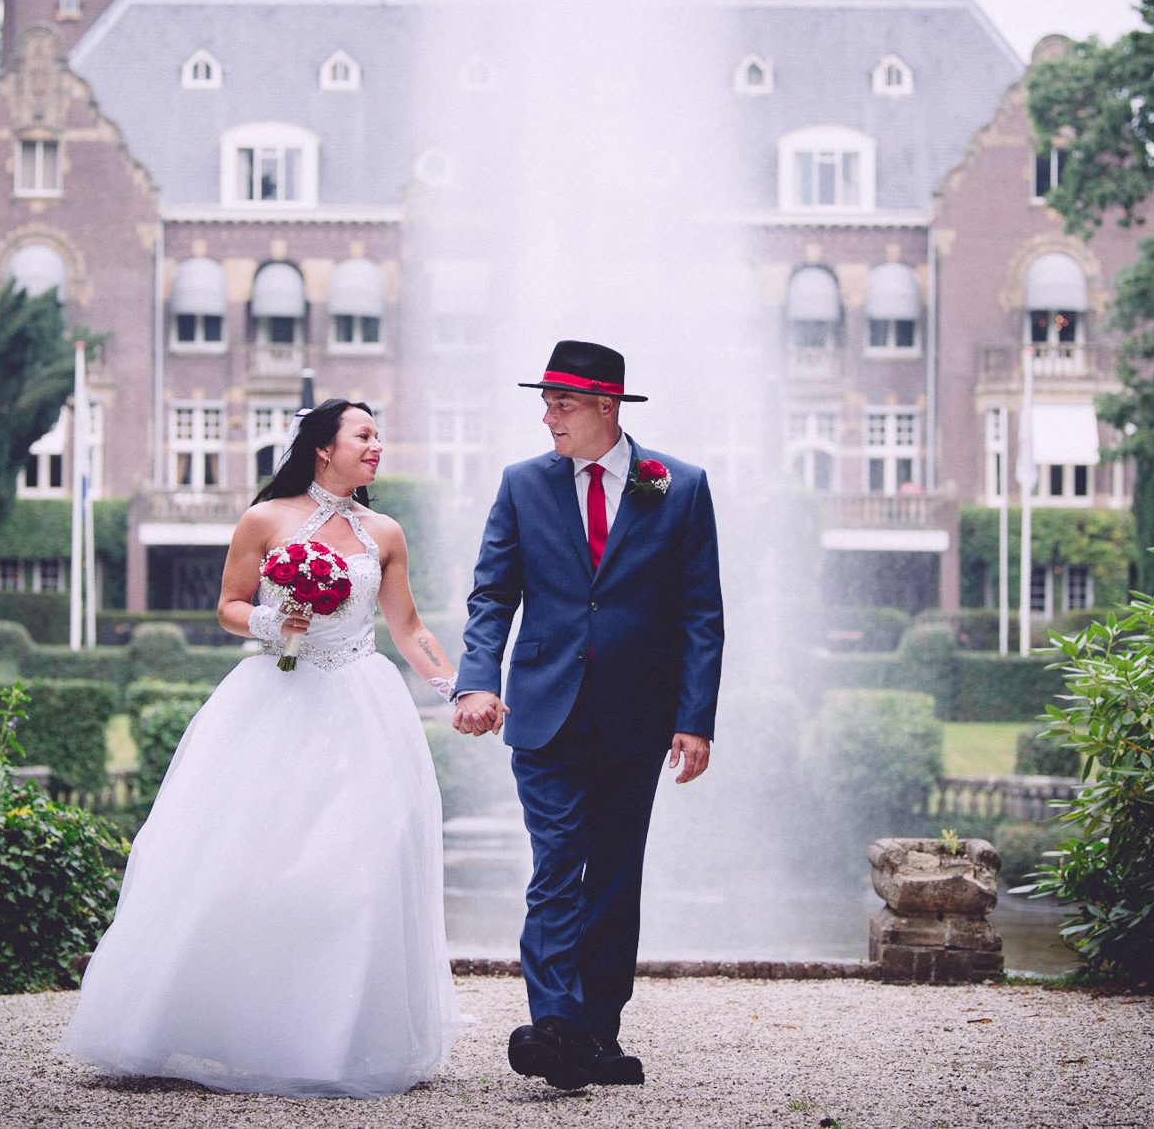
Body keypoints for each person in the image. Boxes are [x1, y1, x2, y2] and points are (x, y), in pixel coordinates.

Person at [58, 399, 465, 1098]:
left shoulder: (385, 531)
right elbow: (228, 606)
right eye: (363, 436)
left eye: (378, 437)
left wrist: (456, 688)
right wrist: (276, 621)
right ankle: (222, 1022)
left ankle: (337, 1041)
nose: (377, 447)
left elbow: (408, 627)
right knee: (252, 861)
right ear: (323, 447)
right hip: (279, 701)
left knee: (362, 864)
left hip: (364, 705)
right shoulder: (265, 520)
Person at [452, 339, 724, 1090]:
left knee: (612, 876)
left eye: (560, 403)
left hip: (638, 715)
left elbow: (702, 614)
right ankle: (556, 1023)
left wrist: (695, 718)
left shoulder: (682, 487)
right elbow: (491, 597)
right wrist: (476, 681)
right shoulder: (522, 485)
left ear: (607, 408)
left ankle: (598, 1033)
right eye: (544, 402)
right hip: (543, 709)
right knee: (556, 862)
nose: (547, 417)